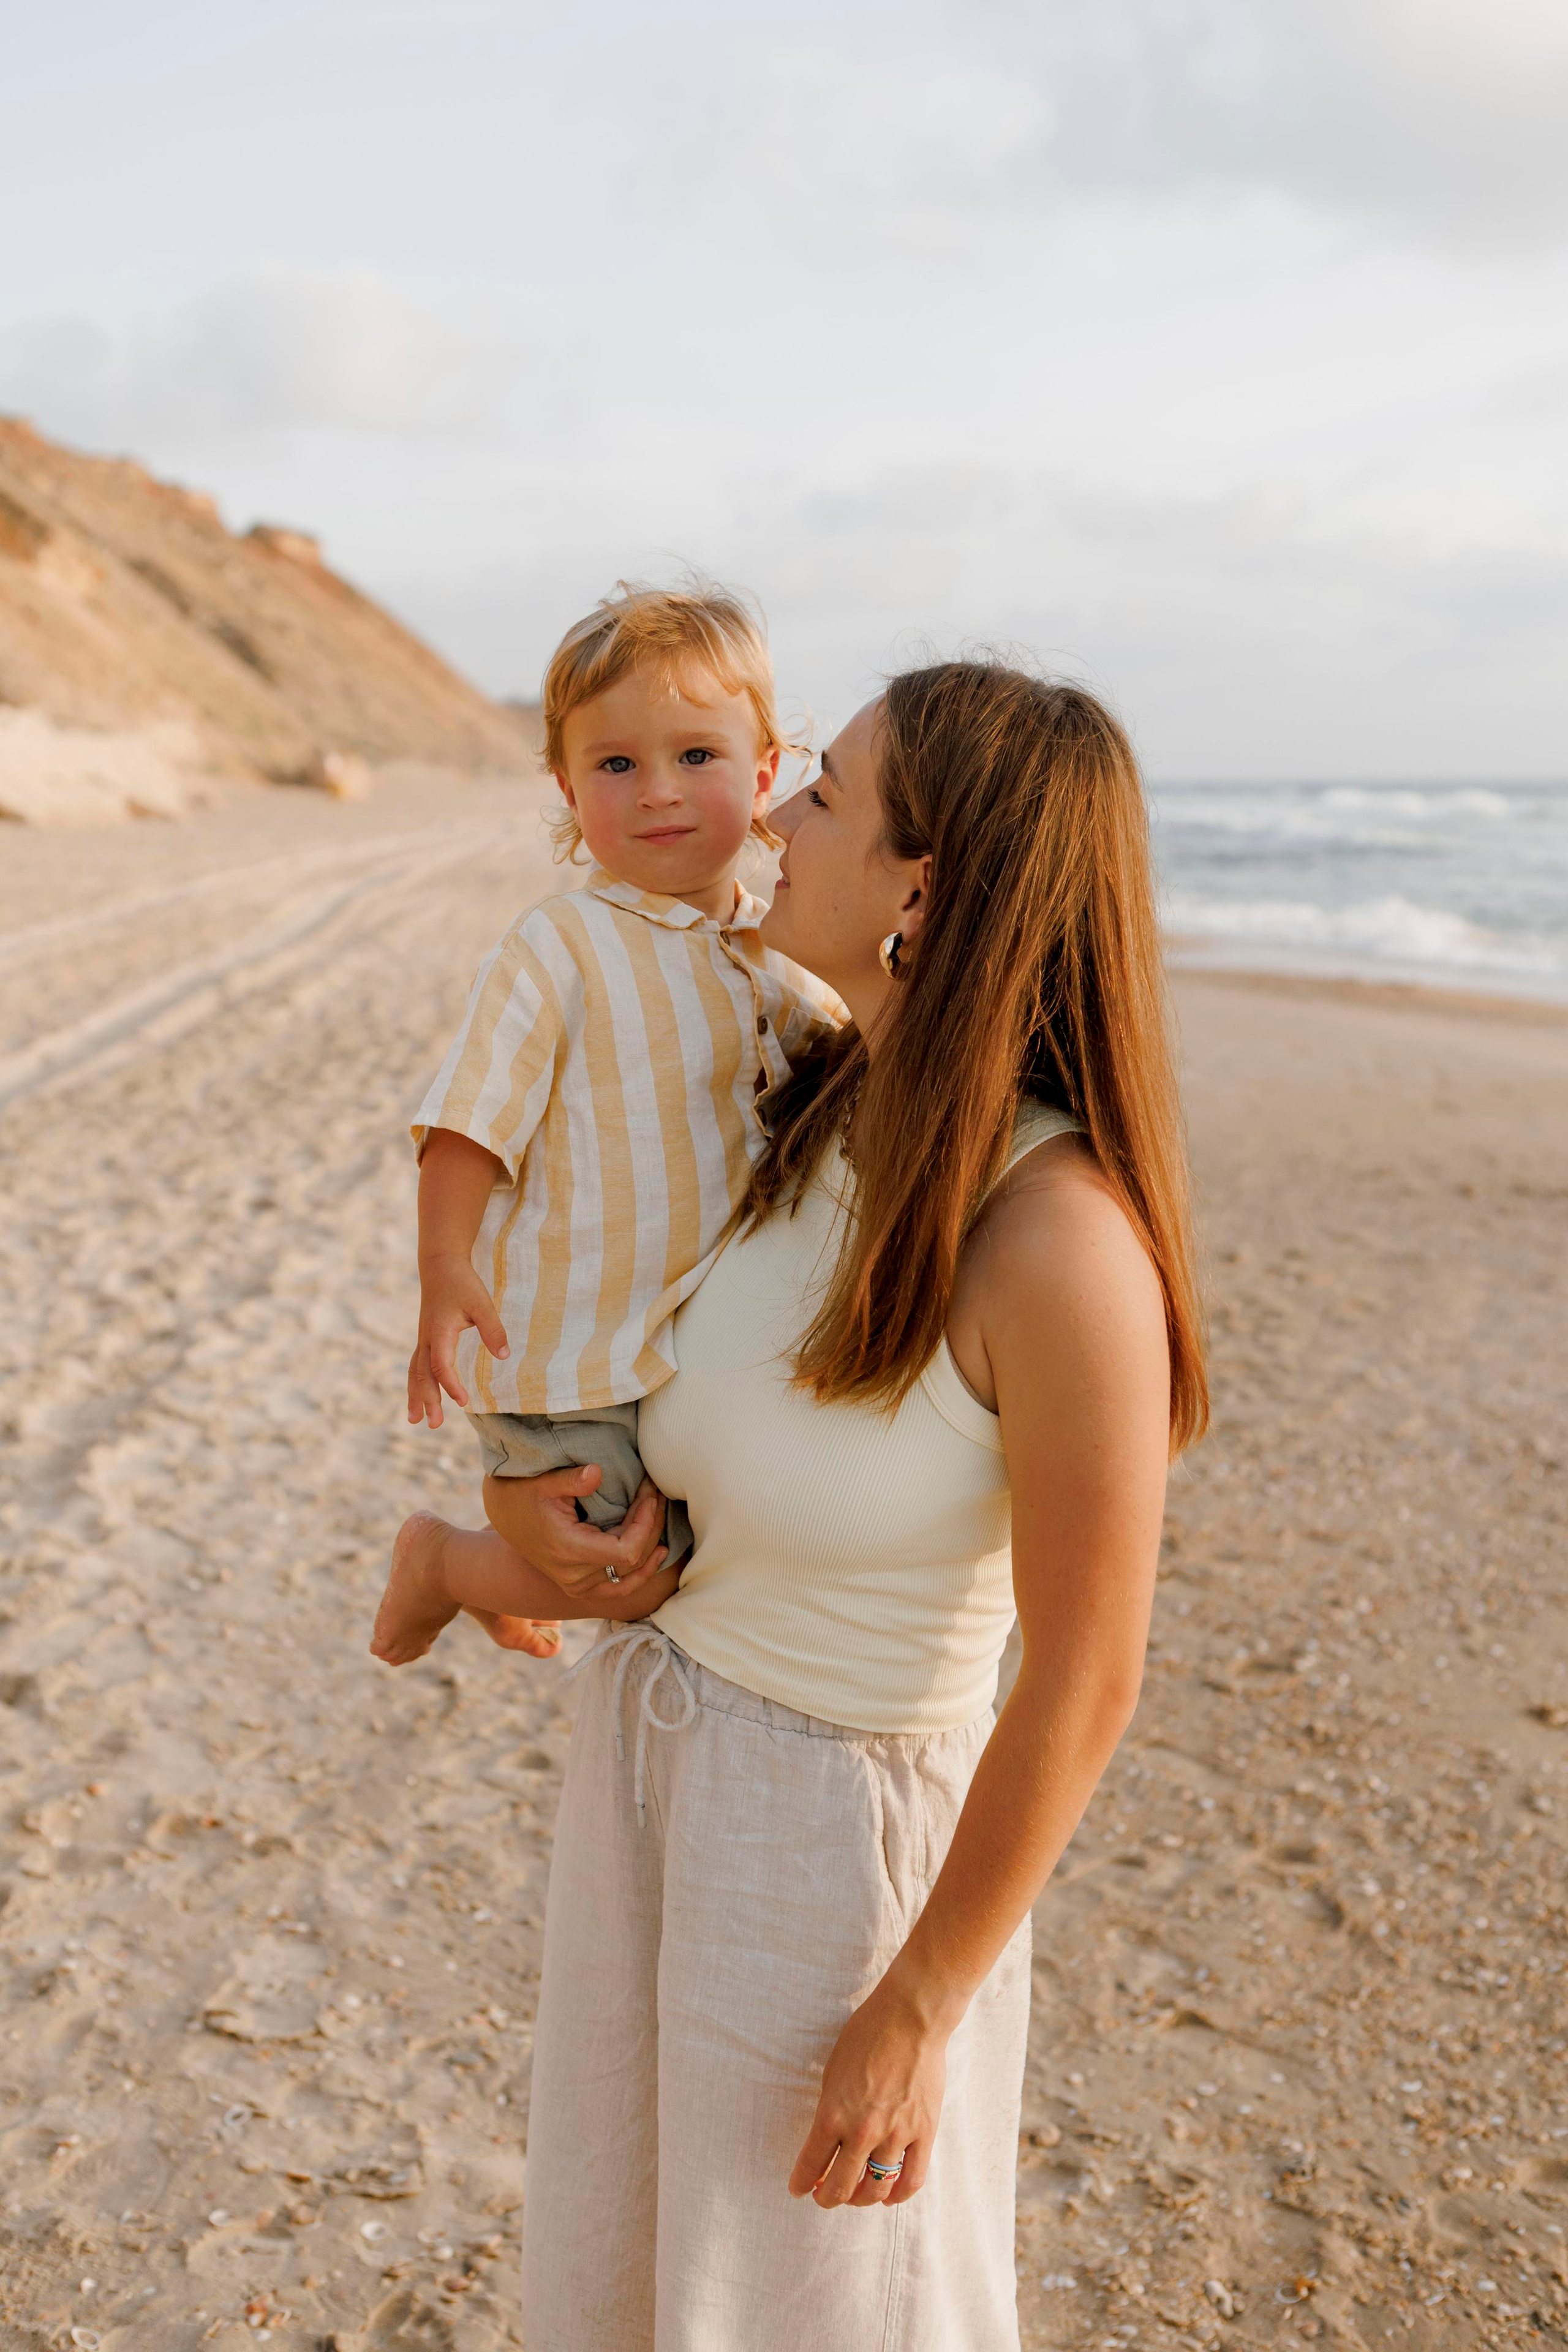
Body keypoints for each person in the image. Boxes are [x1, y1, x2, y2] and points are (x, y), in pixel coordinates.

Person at [407, 660, 1208, 2348]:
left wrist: (921, 2003)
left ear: (925, 890)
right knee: (635, 2295)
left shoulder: (1058, 1244)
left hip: (839, 1873)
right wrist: (553, 1537)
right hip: (656, 1784)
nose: (767, 819)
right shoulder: (815, 1106)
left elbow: (1090, 1676)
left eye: (822, 795)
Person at [369, 579, 840, 1670]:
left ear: (765, 773)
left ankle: (483, 1572)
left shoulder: (787, 974)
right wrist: (444, 1269)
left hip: (676, 1355)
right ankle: (444, 1563)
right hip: (566, 1352)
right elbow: (468, 1126)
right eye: (616, 765)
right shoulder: (563, 945)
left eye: (697, 757)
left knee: (677, 1550)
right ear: (569, 786)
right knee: (634, 1575)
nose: (659, 794)